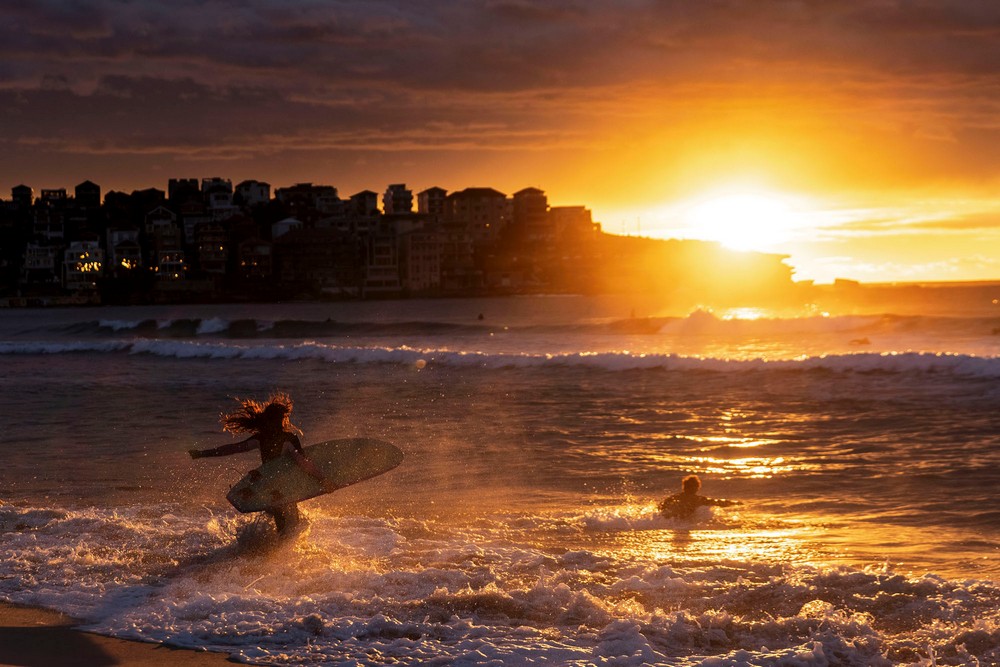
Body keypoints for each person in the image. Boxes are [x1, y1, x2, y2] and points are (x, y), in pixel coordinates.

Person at [188, 392, 334, 535]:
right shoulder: (289, 439)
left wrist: (204, 453)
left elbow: (233, 449)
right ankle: (281, 553)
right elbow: (303, 463)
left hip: (264, 486)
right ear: (282, 419)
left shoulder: (261, 438)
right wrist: (323, 480)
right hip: (284, 488)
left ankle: (267, 549)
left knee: (280, 522)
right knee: (291, 526)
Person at [658, 474, 740, 520]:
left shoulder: (674, 497)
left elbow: (660, 506)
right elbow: (718, 502)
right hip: (685, 524)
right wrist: (735, 503)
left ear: (684, 486)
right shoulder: (698, 499)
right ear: (697, 487)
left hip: (674, 522)